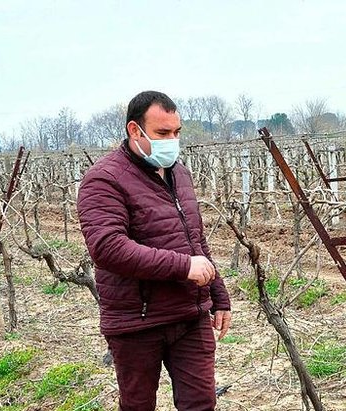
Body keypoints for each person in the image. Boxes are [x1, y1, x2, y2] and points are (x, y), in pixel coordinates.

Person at [77, 91, 232, 411]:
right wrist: (183, 267)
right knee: (138, 405)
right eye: (163, 133)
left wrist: (219, 296)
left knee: (201, 403)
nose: (172, 141)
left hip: (190, 315)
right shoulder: (104, 180)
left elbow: (195, 241)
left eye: (176, 132)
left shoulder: (180, 174)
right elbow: (107, 248)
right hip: (137, 322)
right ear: (135, 130)